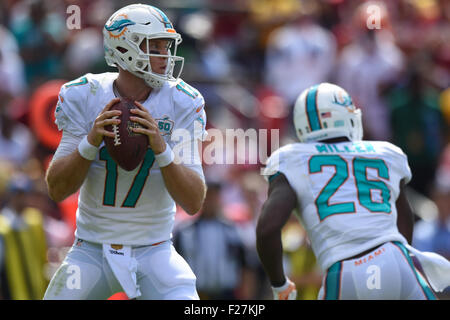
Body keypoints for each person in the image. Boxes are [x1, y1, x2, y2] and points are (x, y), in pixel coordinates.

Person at [43, 4, 207, 300]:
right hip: (90, 249)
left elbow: (194, 201)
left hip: (155, 250)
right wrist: (90, 142)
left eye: (166, 46)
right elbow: (56, 188)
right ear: (124, 48)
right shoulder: (85, 94)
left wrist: (161, 148)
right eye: (154, 46)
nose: (165, 56)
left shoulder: (183, 101)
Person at [256, 82, 450, 300]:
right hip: (397, 259)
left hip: (345, 271)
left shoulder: (293, 159)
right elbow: (404, 216)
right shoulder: (384, 152)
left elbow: (267, 228)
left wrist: (279, 284)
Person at [173, 181, 252, 300]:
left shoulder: (234, 230)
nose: (211, 201)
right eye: (208, 197)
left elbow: (245, 264)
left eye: (215, 196)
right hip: (195, 293)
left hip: (226, 293)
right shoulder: (185, 231)